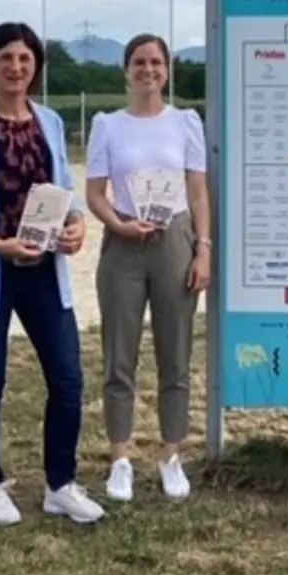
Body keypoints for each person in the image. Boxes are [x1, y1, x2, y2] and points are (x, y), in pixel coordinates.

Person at [0, 21, 105, 527]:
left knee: (68, 378)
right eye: (6, 57)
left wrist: (76, 226)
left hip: (44, 269)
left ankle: (61, 484)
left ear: (36, 67)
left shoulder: (50, 121)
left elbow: (66, 188)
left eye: (25, 59)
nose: (16, 67)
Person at [84, 33, 211, 503]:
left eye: (156, 62)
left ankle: (171, 452)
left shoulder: (185, 123)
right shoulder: (108, 125)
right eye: (139, 62)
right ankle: (120, 456)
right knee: (120, 355)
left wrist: (203, 249)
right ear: (127, 70)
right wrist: (119, 223)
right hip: (124, 243)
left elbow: (197, 192)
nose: (148, 70)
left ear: (168, 70)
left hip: (173, 239)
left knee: (174, 354)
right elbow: (96, 192)